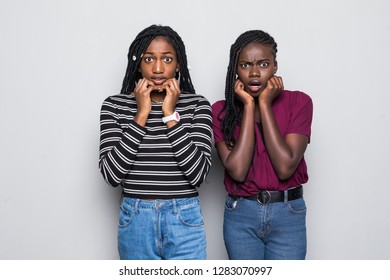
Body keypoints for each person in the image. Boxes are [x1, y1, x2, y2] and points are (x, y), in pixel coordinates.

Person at [99, 24, 212, 260]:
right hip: (136, 219)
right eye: (149, 59)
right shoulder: (114, 106)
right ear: (138, 64)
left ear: (179, 64)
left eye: (167, 59)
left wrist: (170, 114)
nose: (158, 68)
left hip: (184, 218)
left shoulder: (197, 106)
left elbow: (198, 174)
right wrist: (141, 114)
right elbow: (111, 175)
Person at [212, 30, 313, 260]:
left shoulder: (300, 102)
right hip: (241, 216)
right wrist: (248, 105)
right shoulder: (221, 111)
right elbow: (237, 171)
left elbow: (285, 167)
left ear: (275, 66)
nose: (255, 73)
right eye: (245, 65)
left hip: (287, 214)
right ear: (235, 70)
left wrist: (265, 104)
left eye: (263, 64)